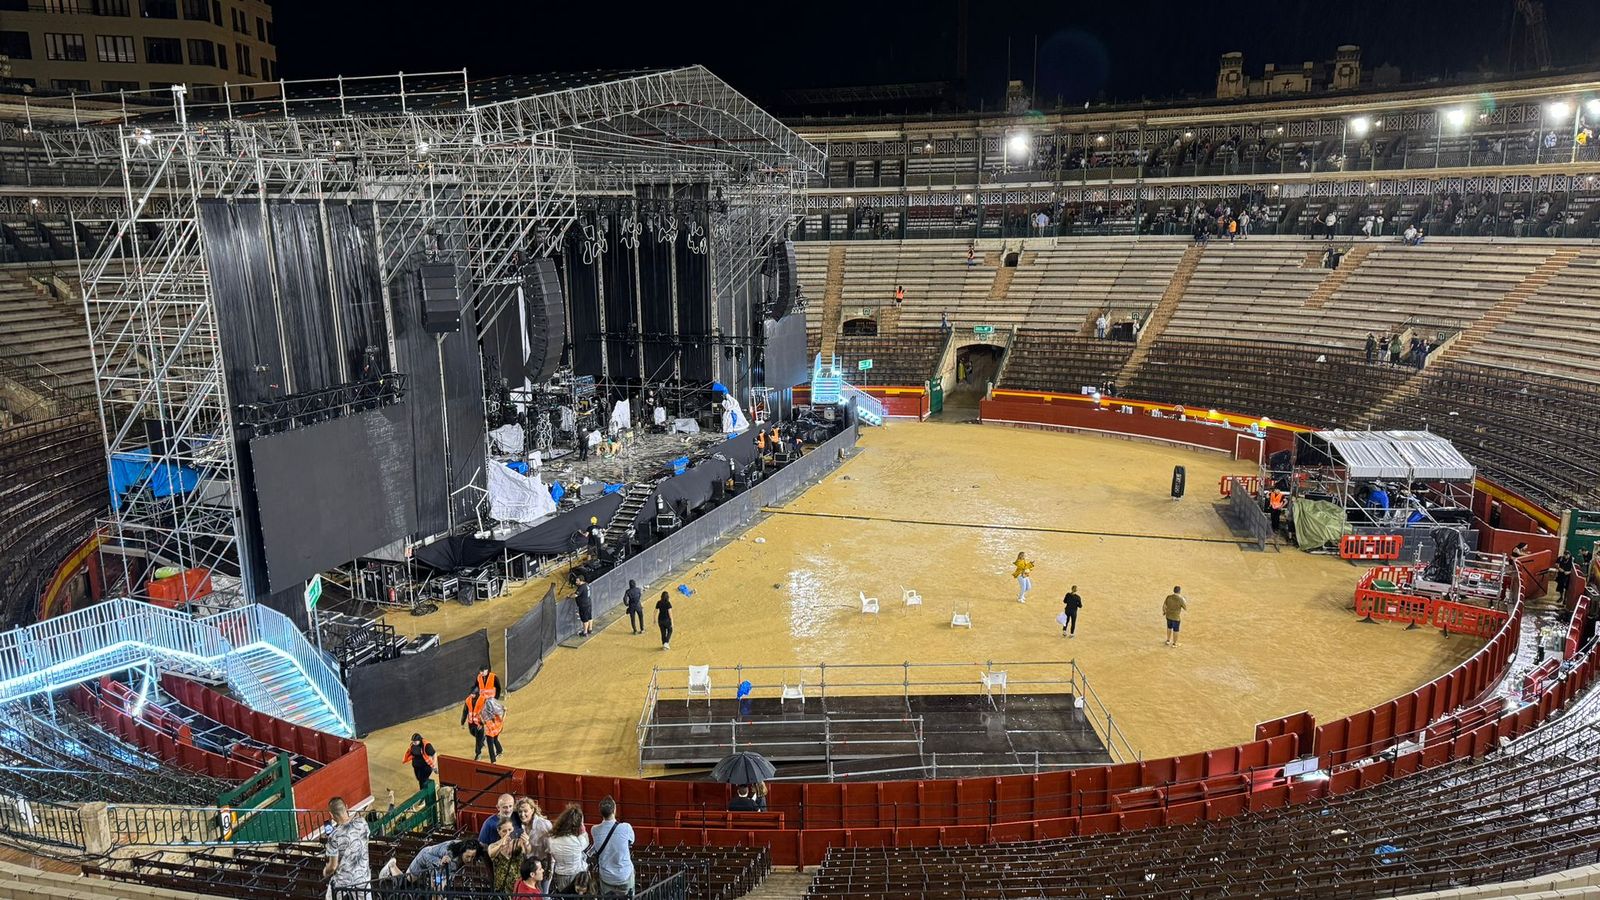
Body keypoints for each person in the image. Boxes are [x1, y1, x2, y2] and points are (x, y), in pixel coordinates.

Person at [322, 797, 370, 899]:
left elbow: (333, 867)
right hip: (362, 878)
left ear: (331, 815)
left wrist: (325, 871)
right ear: (347, 807)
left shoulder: (333, 836)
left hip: (343, 881)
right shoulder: (362, 823)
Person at [589, 795, 635, 897]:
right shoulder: (626, 827)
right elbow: (631, 841)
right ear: (614, 810)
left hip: (606, 876)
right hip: (624, 874)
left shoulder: (594, 830)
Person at [546, 804, 590, 895]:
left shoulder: (551, 839)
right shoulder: (577, 842)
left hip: (560, 875)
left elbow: (550, 852)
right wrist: (582, 827)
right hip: (577, 875)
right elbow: (586, 840)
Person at [406, 839, 481, 888]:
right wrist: (439, 862)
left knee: (440, 887)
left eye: (472, 857)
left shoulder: (464, 846)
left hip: (440, 867)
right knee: (408, 879)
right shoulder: (449, 854)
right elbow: (427, 856)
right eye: (467, 856)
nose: (469, 859)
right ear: (462, 852)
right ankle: (393, 865)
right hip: (425, 857)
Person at [488, 816, 530, 896]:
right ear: (498, 831)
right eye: (504, 831)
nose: (508, 833)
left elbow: (528, 851)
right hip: (502, 888)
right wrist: (501, 845)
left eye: (510, 830)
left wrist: (527, 843)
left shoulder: (519, 843)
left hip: (519, 887)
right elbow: (491, 854)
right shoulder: (493, 846)